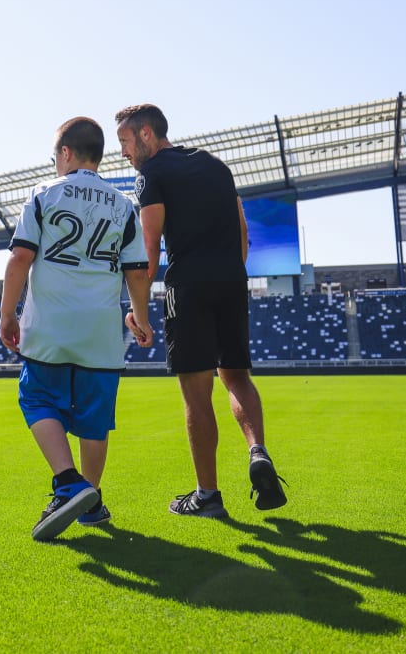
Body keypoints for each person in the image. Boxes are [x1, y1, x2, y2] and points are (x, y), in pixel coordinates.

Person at [114, 103, 287, 518]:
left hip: (189, 286)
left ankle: (207, 495)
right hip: (231, 281)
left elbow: (149, 247)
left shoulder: (150, 175)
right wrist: (229, 276)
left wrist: (139, 311)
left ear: (146, 135)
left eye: (124, 142)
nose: (122, 152)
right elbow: (243, 232)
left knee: (196, 393)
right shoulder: (216, 166)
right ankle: (257, 451)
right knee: (237, 378)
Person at [0, 116, 154, 541]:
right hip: (100, 332)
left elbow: (19, 259)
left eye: (55, 155)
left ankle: (68, 483)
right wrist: (141, 319)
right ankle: (93, 500)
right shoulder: (124, 205)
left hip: (50, 325)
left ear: (66, 153)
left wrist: (7, 313)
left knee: (36, 398)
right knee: (93, 419)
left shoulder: (44, 194)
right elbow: (138, 273)